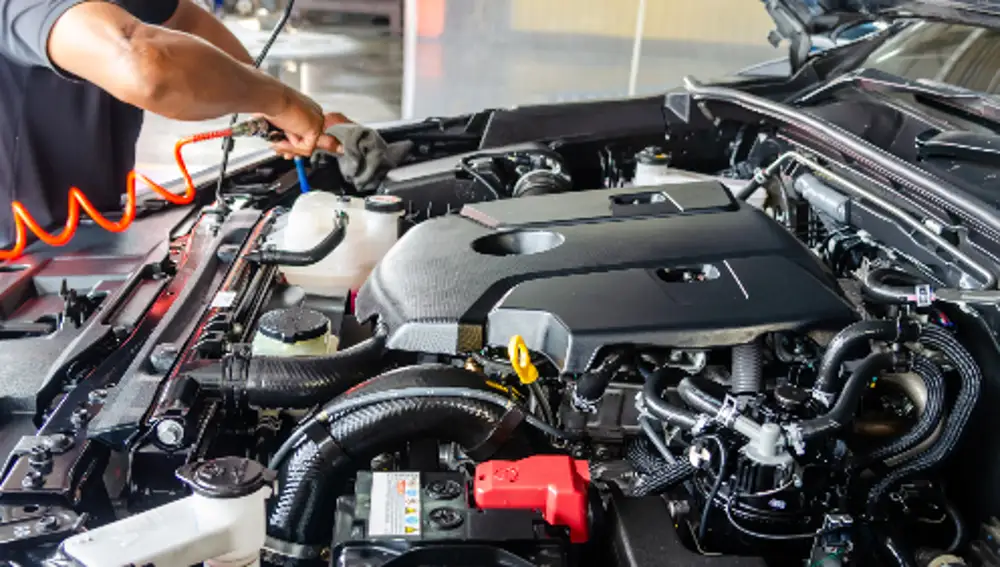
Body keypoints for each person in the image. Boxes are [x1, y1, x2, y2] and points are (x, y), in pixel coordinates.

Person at [0, 0, 346, 246]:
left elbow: (183, 18)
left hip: (88, 240)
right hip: (18, 274)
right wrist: (279, 101)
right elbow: (144, 64)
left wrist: (290, 113)